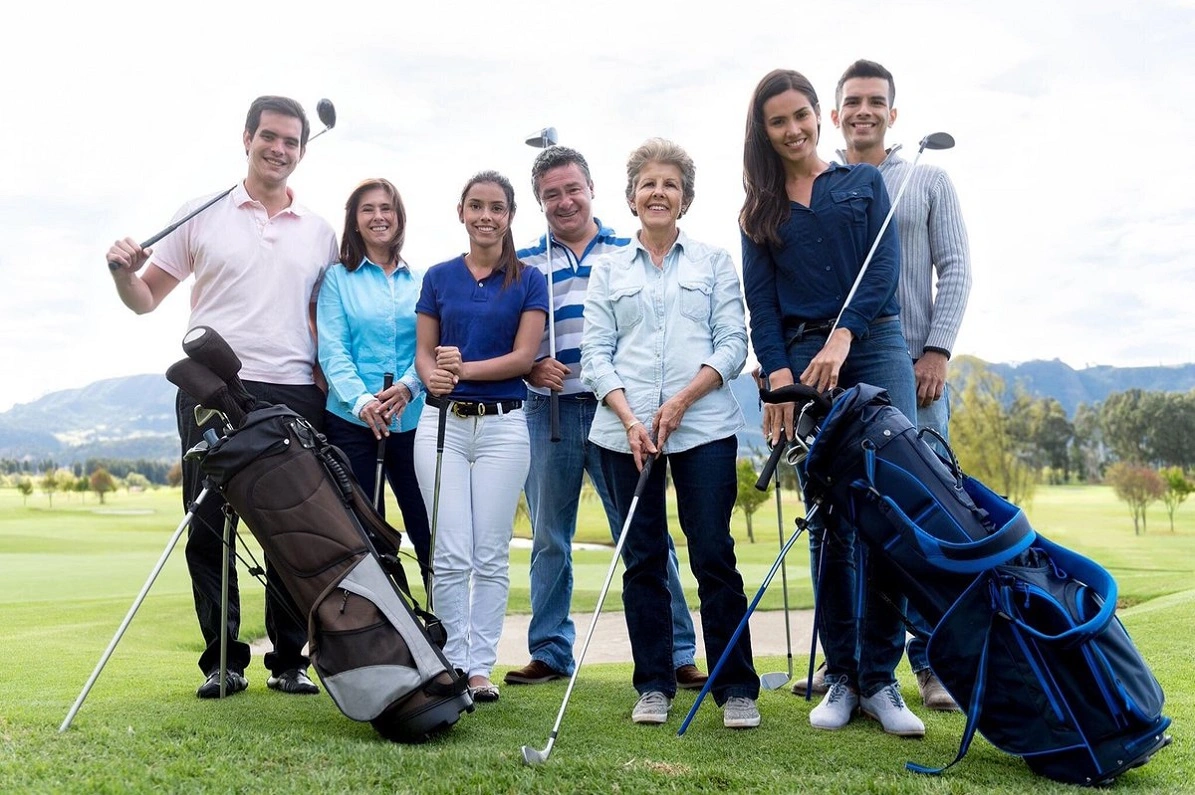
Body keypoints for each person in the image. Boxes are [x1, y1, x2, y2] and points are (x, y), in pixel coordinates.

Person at [106, 96, 338, 699]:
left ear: (303, 152)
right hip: (212, 384)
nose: (279, 149)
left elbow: (328, 318)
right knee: (210, 525)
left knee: (293, 528)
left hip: (293, 391)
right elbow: (145, 298)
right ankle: (223, 661)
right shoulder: (201, 212)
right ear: (246, 138)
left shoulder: (319, 231)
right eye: (270, 136)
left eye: (291, 141)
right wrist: (121, 273)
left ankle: (290, 659)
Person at [739, 70, 923, 736]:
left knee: (891, 508)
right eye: (777, 121)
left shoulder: (862, 183)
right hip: (803, 363)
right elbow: (760, 304)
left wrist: (842, 338)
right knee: (830, 520)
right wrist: (782, 380)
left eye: (801, 115)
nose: (793, 130)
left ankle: (882, 677)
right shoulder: (756, 209)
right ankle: (842, 675)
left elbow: (881, 272)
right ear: (762, 132)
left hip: (872, 345)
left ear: (819, 116)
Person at [504, 146, 707, 691]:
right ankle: (549, 650)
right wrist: (529, 368)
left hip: (621, 413)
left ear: (592, 188)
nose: (564, 201)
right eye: (551, 194)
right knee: (550, 535)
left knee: (644, 534)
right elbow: (511, 337)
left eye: (572, 189)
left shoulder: (628, 249)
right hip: (550, 410)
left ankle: (677, 651)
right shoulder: (523, 261)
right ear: (539, 202)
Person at [581, 138, 760, 729]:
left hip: (703, 427)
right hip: (621, 432)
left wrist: (681, 400)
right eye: (648, 184)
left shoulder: (712, 262)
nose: (659, 193)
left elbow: (734, 344)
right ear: (632, 197)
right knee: (644, 560)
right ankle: (654, 684)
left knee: (713, 553)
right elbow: (595, 355)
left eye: (671, 184)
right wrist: (633, 418)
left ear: (685, 198)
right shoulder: (607, 270)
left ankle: (736, 687)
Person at [832, 59, 973, 712]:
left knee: (922, 516)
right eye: (851, 101)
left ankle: (930, 662)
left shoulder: (927, 177)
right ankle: (850, 666)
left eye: (875, 101)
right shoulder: (823, 184)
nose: (863, 110)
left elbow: (957, 269)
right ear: (834, 115)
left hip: (915, 375)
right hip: (839, 380)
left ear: (893, 112)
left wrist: (937, 350)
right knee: (841, 520)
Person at [413, 171, 548, 703]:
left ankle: (479, 667)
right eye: (476, 206)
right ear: (461, 212)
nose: (485, 216)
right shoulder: (439, 276)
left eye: (496, 207)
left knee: (490, 554)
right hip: (440, 425)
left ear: (510, 216)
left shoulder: (528, 278)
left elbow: (522, 358)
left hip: (503, 428)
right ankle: (450, 661)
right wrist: (432, 375)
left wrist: (461, 370)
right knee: (448, 553)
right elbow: (425, 353)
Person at [317, 177, 432, 579]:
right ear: (354, 221)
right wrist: (364, 401)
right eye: (368, 209)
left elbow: (428, 347)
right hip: (351, 423)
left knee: (428, 528)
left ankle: (441, 624)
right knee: (365, 533)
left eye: (386, 208)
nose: (378, 216)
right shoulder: (337, 279)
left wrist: (406, 386)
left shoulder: (421, 281)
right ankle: (385, 627)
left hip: (413, 420)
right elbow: (333, 350)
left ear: (399, 218)